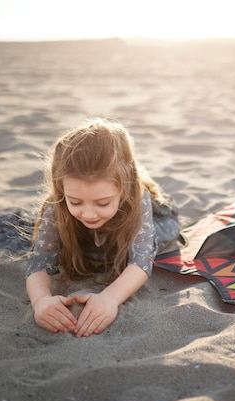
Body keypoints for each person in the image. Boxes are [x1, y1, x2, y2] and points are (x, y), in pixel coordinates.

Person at [25, 118, 180, 337]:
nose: (88, 214)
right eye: (76, 202)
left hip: (141, 224)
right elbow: (39, 260)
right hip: (91, 238)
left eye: (102, 202)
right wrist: (41, 301)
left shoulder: (136, 196)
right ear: (61, 188)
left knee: (159, 241)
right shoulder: (58, 201)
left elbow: (142, 259)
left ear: (124, 188)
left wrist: (109, 299)